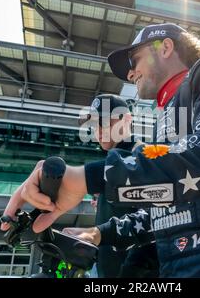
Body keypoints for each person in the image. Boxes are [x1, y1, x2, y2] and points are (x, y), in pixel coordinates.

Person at [2, 23, 200, 278]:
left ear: (166, 48)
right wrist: (98, 234)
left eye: (134, 61)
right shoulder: (166, 119)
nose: (131, 73)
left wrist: (87, 177)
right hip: (175, 265)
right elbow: (166, 209)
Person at [70, 93, 159, 278]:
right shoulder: (112, 164)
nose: (98, 130)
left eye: (104, 122)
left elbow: (155, 224)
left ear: (127, 120)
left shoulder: (143, 157)